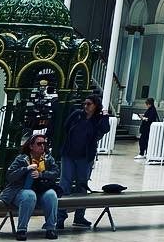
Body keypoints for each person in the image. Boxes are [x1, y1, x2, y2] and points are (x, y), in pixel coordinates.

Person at [57, 94, 110, 229]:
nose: (85, 106)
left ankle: (79, 216)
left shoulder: (98, 119)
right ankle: (60, 218)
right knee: (65, 184)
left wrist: (105, 115)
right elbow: (65, 126)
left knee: (82, 185)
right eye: (85, 104)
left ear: (96, 106)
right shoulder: (76, 115)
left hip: (85, 157)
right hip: (69, 154)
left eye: (89, 104)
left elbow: (105, 129)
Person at [1, 134, 60, 241]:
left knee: (51, 194)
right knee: (29, 195)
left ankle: (51, 228)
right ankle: (22, 230)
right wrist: (26, 169)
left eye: (44, 143)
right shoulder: (21, 159)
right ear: (31, 146)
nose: (42, 146)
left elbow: (56, 172)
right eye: (39, 143)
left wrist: (41, 174)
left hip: (41, 190)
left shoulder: (48, 158)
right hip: (20, 191)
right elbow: (10, 176)